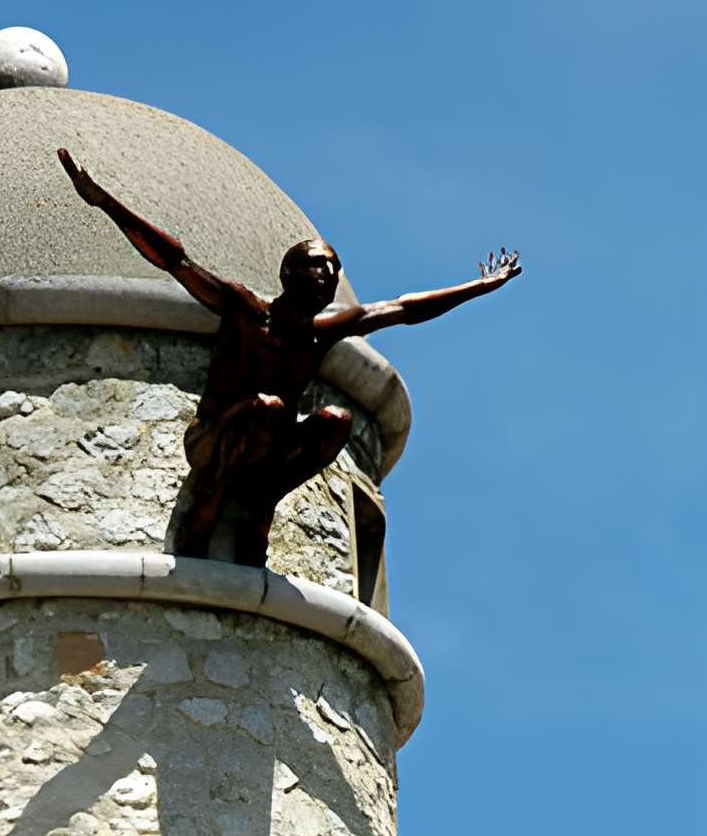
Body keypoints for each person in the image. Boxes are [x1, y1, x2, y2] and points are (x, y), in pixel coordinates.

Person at [60, 148, 520, 566]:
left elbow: (402, 308)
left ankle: (261, 505)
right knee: (269, 407)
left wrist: (480, 286)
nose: (326, 275)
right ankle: (211, 506)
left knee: (336, 419)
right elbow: (173, 261)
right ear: (288, 274)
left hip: (268, 448)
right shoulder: (244, 310)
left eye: (331, 268)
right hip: (214, 439)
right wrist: (103, 201)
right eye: (315, 265)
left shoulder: (321, 334)